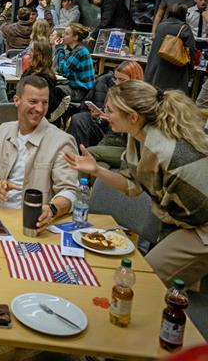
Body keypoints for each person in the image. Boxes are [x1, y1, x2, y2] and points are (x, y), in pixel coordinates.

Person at [64, 80, 208, 287]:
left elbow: (198, 212)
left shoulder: (167, 154)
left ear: (132, 117)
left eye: (111, 110)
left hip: (200, 227)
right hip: (183, 220)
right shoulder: (138, 136)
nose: (105, 113)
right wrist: (97, 170)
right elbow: (132, 186)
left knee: (144, 282)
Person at [0, 75, 78, 227]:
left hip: (34, 223)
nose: (39, 109)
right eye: (33, 102)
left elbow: (70, 191)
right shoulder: (5, 130)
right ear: (16, 100)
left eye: (44, 102)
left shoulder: (62, 141)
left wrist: (51, 209)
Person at [67, 61, 143, 168]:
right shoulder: (115, 93)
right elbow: (108, 126)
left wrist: (111, 119)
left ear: (135, 79)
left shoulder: (140, 100)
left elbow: (135, 131)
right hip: (110, 136)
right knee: (79, 120)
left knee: (92, 155)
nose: (117, 83)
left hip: (127, 143)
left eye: (122, 80)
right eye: (116, 79)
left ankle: (79, 176)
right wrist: (99, 117)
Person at [145, 4, 196, 94]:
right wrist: (191, 69)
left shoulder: (161, 25)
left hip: (155, 68)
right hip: (174, 69)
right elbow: (191, 51)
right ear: (183, 14)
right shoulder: (184, 28)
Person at [22, 40, 66, 119]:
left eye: (31, 51)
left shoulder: (41, 79)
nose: (28, 53)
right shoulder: (34, 71)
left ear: (39, 55)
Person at [54, 23, 95, 101]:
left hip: (81, 92)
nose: (63, 35)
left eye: (66, 34)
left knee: (55, 91)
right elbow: (61, 69)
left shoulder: (80, 51)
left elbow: (63, 69)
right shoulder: (73, 50)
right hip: (75, 88)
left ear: (75, 37)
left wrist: (59, 48)